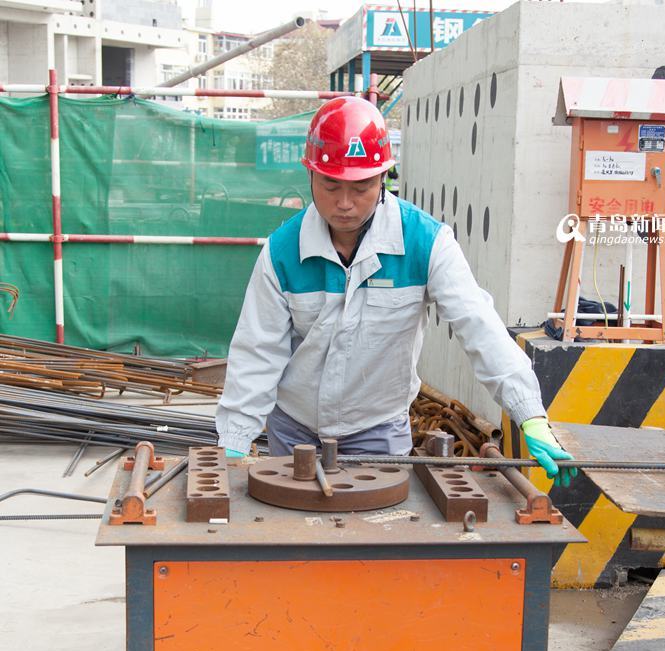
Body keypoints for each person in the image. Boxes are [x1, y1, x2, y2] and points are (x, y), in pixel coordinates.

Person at [215, 96, 576, 487]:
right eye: (331, 185)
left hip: (378, 432)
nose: (345, 204)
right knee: (293, 538)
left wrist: (529, 414)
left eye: (362, 186)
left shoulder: (425, 243)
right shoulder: (282, 253)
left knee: (378, 541)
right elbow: (257, 351)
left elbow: (479, 325)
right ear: (310, 175)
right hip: (295, 433)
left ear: (384, 178)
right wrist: (234, 440)